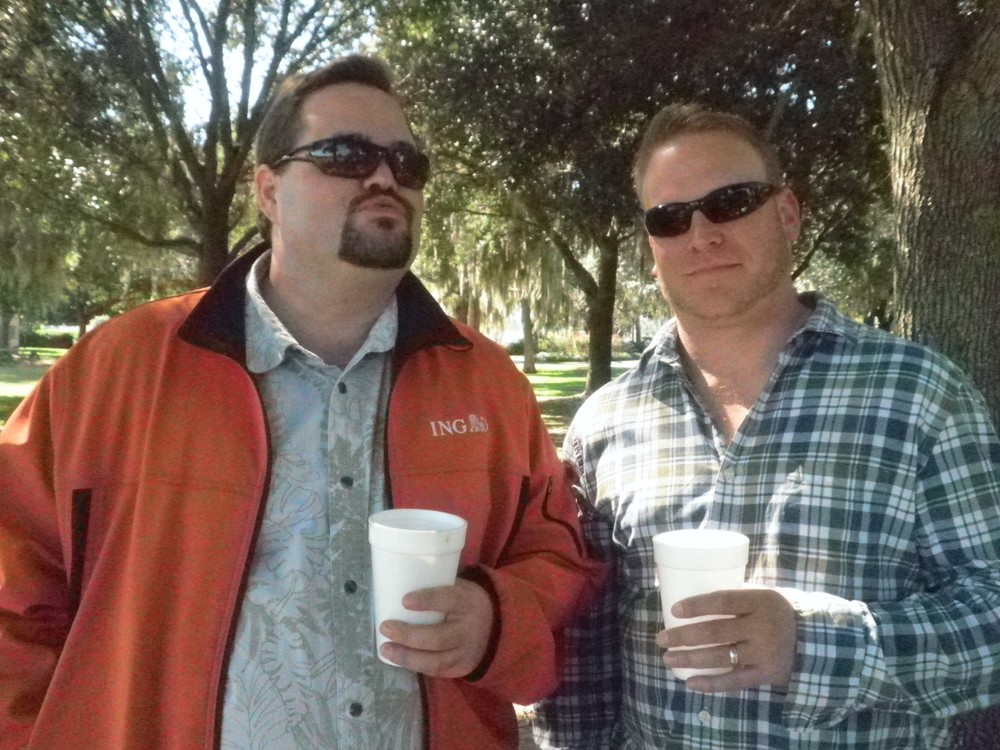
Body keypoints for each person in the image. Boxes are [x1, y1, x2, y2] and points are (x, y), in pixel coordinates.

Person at [0, 55, 602, 750]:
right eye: (346, 155)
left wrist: (497, 618)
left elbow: (556, 552)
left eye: (406, 162)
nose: (384, 177)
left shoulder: (488, 382)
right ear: (268, 189)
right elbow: (14, 579)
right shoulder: (118, 369)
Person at [532, 102, 1000, 749]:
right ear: (651, 249)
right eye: (670, 217)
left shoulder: (921, 394)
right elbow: (585, 648)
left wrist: (813, 644)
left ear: (787, 213)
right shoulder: (605, 422)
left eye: (731, 202)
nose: (702, 235)